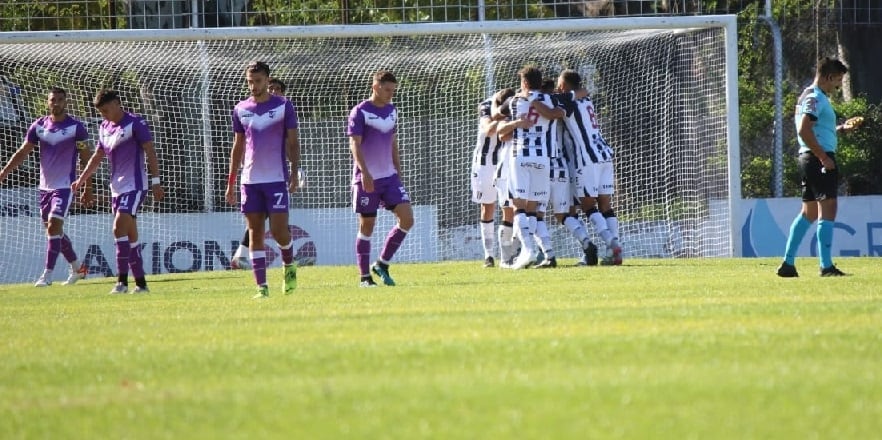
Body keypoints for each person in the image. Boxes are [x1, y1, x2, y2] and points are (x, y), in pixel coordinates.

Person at [72, 89, 164, 294]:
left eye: (105, 110)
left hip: (135, 186)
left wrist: (156, 181)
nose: (103, 114)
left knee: (117, 228)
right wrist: (81, 179)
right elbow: (97, 157)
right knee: (130, 237)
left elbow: (150, 151)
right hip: (116, 188)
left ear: (116, 104)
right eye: (101, 111)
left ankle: (121, 283)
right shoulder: (104, 127)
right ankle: (141, 284)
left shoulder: (135, 123)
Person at [0, 86, 92, 286]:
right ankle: (79, 269)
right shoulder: (38, 126)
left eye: (60, 99)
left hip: (66, 186)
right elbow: (23, 152)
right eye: (53, 100)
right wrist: (4, 171)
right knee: (54, 231)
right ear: (47, 102)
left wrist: (87, 187)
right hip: (44, 188)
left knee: (54, 224)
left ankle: (47, 275)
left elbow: (86, 158)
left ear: (65, 101)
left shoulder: (76, 127)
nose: (56, 103)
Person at [226, 61, 301, 298]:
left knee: (279, 232)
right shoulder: (240, 109)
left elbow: (293, 142)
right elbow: (237, 147)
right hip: (250, 182)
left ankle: (289, 266)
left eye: (257, 81)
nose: (253, 86)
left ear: (267, 81)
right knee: (255, 232)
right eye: (249, 81)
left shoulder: (283, 106)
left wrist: (295, 172)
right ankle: (262, 287)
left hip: (276, 179)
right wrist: (231, 183)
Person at [777, 57, 855, 277]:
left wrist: (840, 129)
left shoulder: (808, 96)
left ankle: (788, 264)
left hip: (809, 157)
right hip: (816, 158)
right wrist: (823, 157)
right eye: (837, 80)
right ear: (829, 77)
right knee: (828, 209)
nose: (838, 86)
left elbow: (816, 128)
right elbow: (804, 130)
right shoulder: (815, 97)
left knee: (809, 212)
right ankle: (826, 265)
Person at [348, 70, 414, 287]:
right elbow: (354, 144)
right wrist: (365, 173)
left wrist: (398, 170)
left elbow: (393, 142)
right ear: (375, 87)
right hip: (367, 178)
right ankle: (364, 277)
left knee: (407, 219)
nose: (390, 94)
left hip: (389, 177)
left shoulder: (392, 111)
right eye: (387, 90)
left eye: (393, 90)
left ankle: (382, 263)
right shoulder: (360, 112)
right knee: (367, 225)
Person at [496, 66, 564, 270]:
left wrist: (516, 121)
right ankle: (546, 253)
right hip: (543, 159)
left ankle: (528, 250)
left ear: (524, 83)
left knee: (519, 206)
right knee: (533, 210)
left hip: (521, 156)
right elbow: (560, 112)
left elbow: (498, 117)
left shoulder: (516, 100)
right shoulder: (550, 99)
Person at [556, 69, 622, 265]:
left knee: (587, 205)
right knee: (605, 206)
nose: (559, 87)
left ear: (566, 86)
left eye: (561, 83)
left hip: (587, 158)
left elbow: (554, 109)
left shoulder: (567, 101)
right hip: (604, 154)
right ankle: (615, 249)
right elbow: (582, 92)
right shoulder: (587, 100)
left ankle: (612, 244)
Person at [470, 88, 514, 268]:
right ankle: (488, 255)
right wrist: (500, 113)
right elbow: (488, 130)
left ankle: (508, 253)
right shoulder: (486, 106)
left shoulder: (514, 106)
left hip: (505, 162)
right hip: (484, 164)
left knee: (508, 207)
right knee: (487, 207)